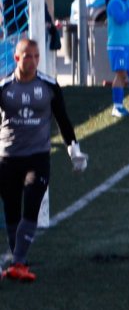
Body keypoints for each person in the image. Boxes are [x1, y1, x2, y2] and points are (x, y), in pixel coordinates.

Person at [0, 39, 87, 284]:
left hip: (37, 158)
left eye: (36, 56)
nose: (33, 60)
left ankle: (18, 261)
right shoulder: (5, 87)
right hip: (8, 158)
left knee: (32, 203)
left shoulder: (48, 86)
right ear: (16, 58)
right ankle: (18, 261)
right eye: (28, 56)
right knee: (12, 211)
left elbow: (63, 119)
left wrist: (74, 150)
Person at [106, 0, 129, 119]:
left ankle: (120, 105)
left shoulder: (126, 1)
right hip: (117, 44)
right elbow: (120, 19)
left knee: (124, 75)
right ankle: (116, 107)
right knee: (120, 74)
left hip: (126, 44)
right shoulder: (115, 2)